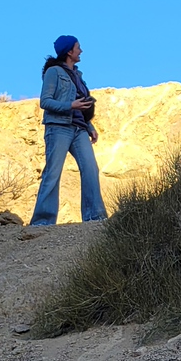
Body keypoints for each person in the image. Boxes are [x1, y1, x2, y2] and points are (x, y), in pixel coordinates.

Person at [31, 35, 106, 225]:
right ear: (69, 51)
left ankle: (95, 217)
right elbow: (45, 101)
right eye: (78, 47)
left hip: (79, 129)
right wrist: (70, 105)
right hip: (58, 127)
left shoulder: (78, 76)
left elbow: (82, 105)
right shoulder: (54, 72)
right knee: (53, 172)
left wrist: (90, 126)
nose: (81, 51)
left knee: (91, 168)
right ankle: (42, 221)